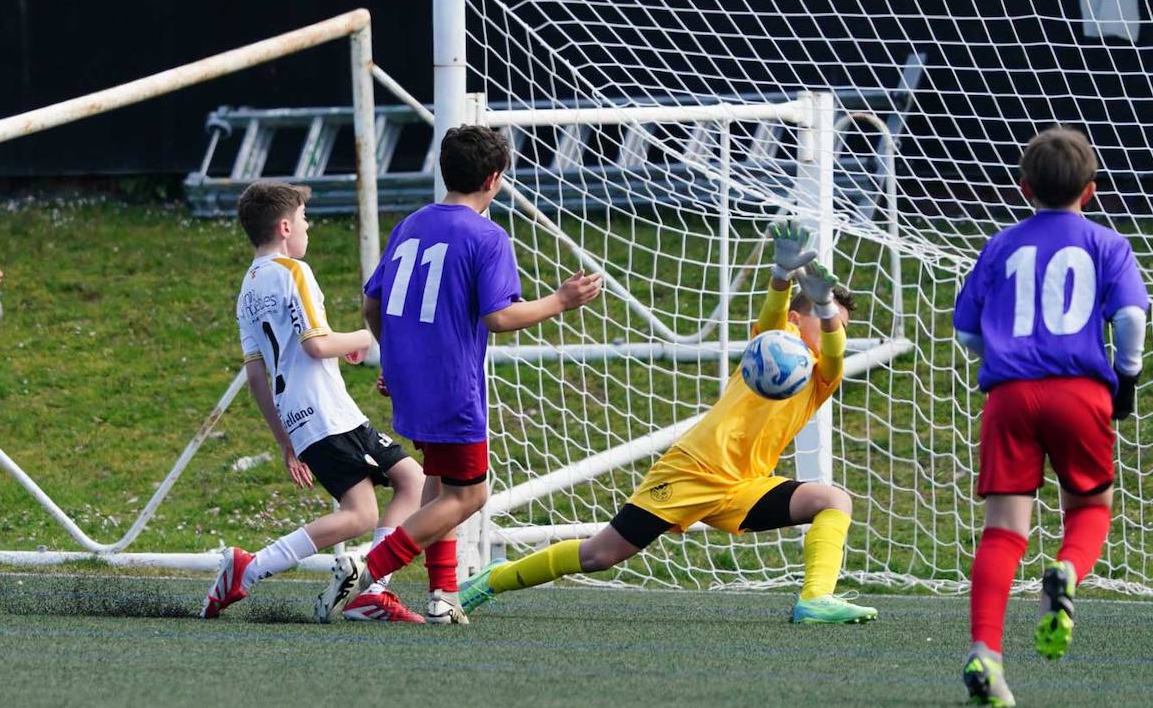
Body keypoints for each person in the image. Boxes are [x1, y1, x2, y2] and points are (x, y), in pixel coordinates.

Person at [453, 221, 879, 626]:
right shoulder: (768, 347)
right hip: (691, 471)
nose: (833, 330)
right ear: (793, 321)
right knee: (600, 556)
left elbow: (837, 355)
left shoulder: (823, 375)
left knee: (833, 500)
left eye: (839, 327)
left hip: (743, 486)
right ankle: (493, 579)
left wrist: (824, 306)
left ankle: (813, 599)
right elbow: (772, 317)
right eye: (828, 322)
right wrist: (781, 276)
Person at [315, 125, 603, 622]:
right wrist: (562, 300)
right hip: (452, 387)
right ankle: (366, 569)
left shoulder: (411, 223)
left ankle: (442, 595)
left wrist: (398, 359)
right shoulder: (487, 235)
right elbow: (499, 317)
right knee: (470, 494)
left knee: (440, 484)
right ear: (494, 179)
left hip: (411, 381)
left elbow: (370, 305)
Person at [952, 126, 1149, 708]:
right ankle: (1065, 571)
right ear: (1090, 190)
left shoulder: (1000, 245)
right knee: (1090, 506)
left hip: (1010, 397)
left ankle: (985, 653)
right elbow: (1133, 319)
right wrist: (1127, 379)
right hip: (1080, 392)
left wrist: (1003, 355)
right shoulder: (1108, 245)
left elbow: (965, 330)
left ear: (1024, 186)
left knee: (1003, 529)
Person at [202, 181, 427, 623]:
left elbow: (255, 374)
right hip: (328, 412)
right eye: (305, 219)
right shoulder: (293, 272)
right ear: (286, 227)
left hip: (303, 418)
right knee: (407, 485)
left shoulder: (247, 290)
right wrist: (367, 336)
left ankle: (366, 589)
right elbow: (316, 344)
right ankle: (265, 569)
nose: (309, 227)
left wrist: (286, 440)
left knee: (368, 507)